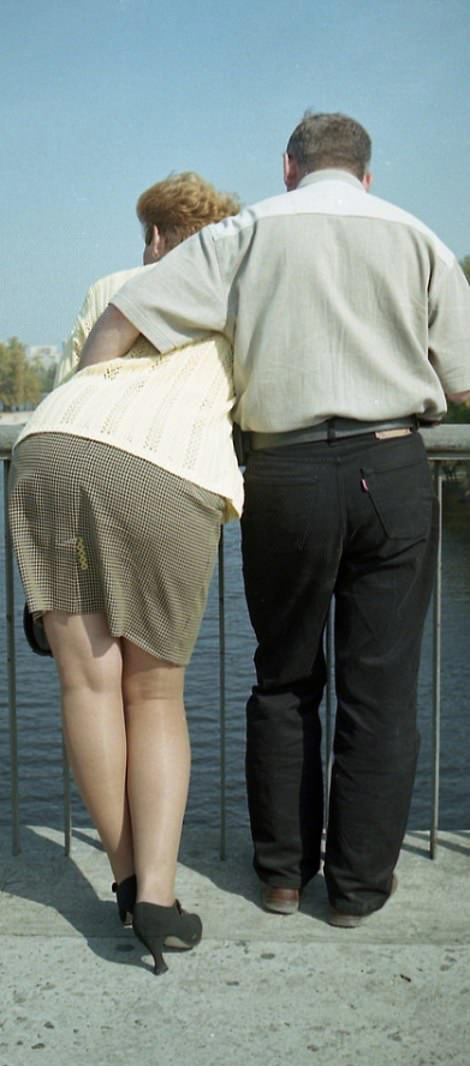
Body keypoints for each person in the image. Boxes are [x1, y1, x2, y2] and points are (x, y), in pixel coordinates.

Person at [73, 112, 470, 929]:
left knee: (284, 678)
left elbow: (125, 315)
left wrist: (95, 401)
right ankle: (358, 888)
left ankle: (283, 876)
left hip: (284, 472)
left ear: (288, 168)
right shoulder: (418, 238)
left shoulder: (247, 233)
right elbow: (462, 384)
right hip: (393, 467)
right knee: (382, 687)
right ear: (367, 174)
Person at [8, 172, 243, 974]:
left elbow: (84, 372)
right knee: (154, 692)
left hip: (48, 451)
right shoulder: (242, 297)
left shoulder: (113, 285)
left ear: (157, 237)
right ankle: (158, 898)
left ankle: (124, 876)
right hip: (163, 471)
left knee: (88, 686)